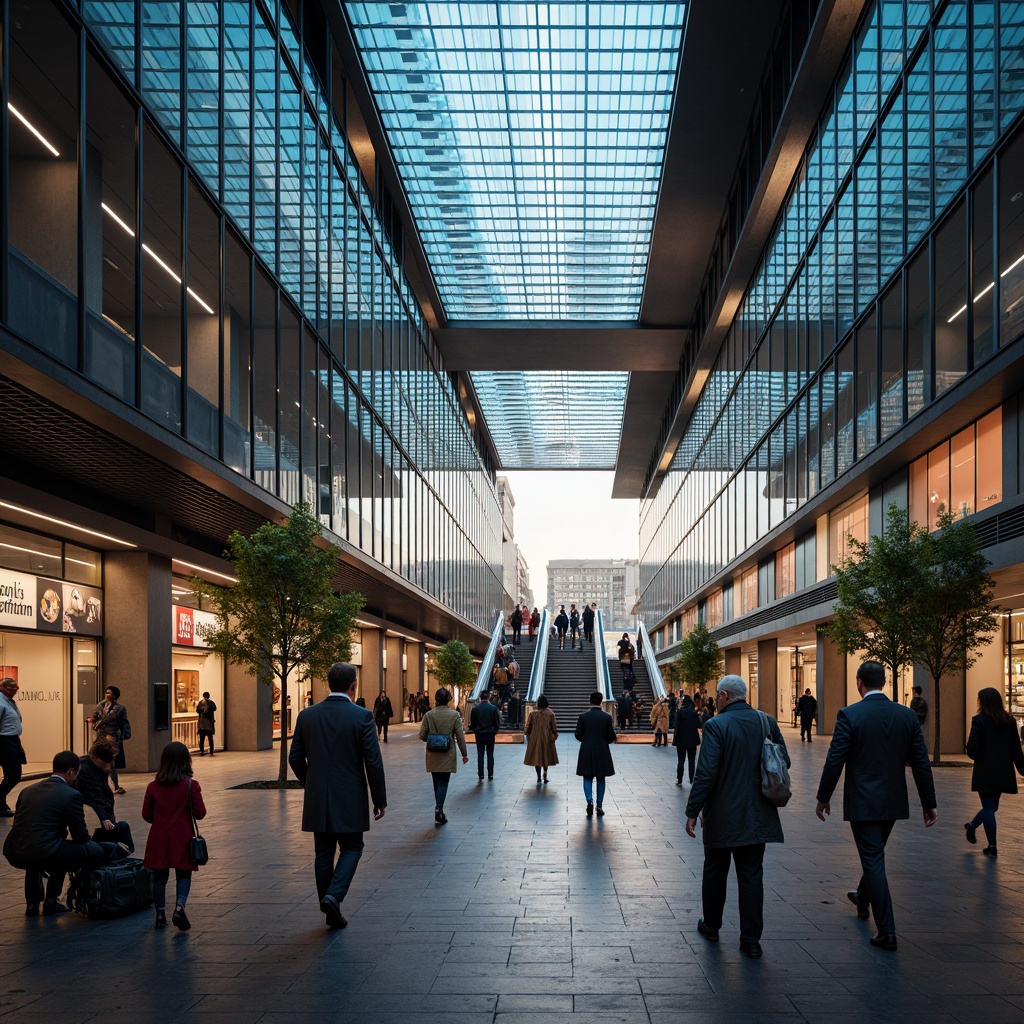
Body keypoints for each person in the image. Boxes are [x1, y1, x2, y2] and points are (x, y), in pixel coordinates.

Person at [815, 660, 937, 952]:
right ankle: (861, 896)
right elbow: (920, 761)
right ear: (884, 682)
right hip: (893, 800)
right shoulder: (906, 716)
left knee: (873, 859)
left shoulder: (850, 715)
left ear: (860, 682)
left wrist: (823, 797)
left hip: (862, 801)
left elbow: (835, 759)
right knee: (875, 852)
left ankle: (887, 931)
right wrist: (929, 803)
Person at [685, 675, 789, 959]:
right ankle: (751, 939)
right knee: (752, 875)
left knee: (715, 871)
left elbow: (706, 774)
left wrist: (692, 811)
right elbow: (784, 761)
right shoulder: (766, 721)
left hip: (722, 815)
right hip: (759, 814)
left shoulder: (716, 726)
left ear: (723, 697)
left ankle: (712, 926)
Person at [289, 663, 387, 929]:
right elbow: (373, 762)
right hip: (350, 796)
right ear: (353, 685)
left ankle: (330, 908)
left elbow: (295, 757)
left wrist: (312, 783)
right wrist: (379, 799)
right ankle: (334, 897)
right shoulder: (362, 716)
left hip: (318, 797)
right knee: (353, 847)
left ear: (327, 684)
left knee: (323, 852)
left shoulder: (307, 716)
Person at [4, 750, 128, 916]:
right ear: (71, 772)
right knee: (92, 851)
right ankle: (62, 897)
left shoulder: (27, 790)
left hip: (15, 850)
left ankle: (32, 904)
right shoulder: (71, 795)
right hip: (44, 848)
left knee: (41, 853)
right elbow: (80, 837)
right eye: (76, 774)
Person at [142, 741, 206, 930]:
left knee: (159, 877)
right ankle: (179, 907)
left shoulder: (153, 786)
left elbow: (146, 815)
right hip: (182, 837)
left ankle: (160, 914)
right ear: (186, 761)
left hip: (158, 837)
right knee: (183, 875)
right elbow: (200, 813)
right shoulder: (191, 785)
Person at [964, 687, 1024, 856]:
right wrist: (1022, 768)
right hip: (1003, 770)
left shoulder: (979, 720)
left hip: (985, 770)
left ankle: (986, 839)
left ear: (983, 702)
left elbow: (972, 750)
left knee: (989, 807)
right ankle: (981, 834)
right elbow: (1016, 749)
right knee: (991, 807)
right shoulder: (1009, 721)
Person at [75, 735, 135, 851]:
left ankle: (109, 838)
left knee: (109, 816)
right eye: (106, 762)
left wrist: (108, 818)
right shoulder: (84, 769)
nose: (109, 766)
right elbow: (94, 796)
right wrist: (104, 818)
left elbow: (103, 792)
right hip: (81, 793)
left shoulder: (100, 765)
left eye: (111, 762)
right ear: (95, 758)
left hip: (95, 793)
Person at [418, 687, 468, 825]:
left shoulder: (429, 715)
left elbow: (422, 735)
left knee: (436, 781)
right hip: (447, 753)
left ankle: (439, 809)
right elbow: (460, 737)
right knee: (444, 781)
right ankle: (439, 808)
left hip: (432, 753)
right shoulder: (454, 715)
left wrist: (433, 739)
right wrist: (464, 754)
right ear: (448, 700)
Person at [575, 691, 616, 816]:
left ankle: (589, 801)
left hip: (586, 749)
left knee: (587, 776)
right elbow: (611, 736)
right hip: (602, 749)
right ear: (601, 701)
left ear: (590, 701)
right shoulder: (607, 717)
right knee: (601, 777)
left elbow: (578, 734)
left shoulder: (583, 716)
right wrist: (604, 741)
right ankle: (599, 806)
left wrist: (586, 740)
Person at [89, 686, 129, 794]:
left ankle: (115, 786)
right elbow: (95, 717)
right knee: (97, 759)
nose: (107, 695)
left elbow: (123, 722)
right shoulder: (101, 705)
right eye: (106, 692)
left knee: (110, 762)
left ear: (114, 695)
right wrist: (92, 722)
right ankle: (101, 785)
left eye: (109, 693)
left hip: (112, 736)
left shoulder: (120, 708)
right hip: (100, 735)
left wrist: (124, 735)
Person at [0, 676, 25, 817]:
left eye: (15, 688)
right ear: (2, 687)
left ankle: (1, 803)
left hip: (12, 740)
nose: (13, 690)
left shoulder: (9, 701)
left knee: (13, 774)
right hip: (4, 741)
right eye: (10, 687)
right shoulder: (1, 703)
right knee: (13, 775)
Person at [524, 695, 559, 784]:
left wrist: (527, 735)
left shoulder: (533, 714)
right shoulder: (550, 713)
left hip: (535, 737)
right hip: (546, 737)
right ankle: (545, 773)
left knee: (537, 757)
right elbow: (554, 727)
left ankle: (538, 777)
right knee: (546, 756)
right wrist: (555, 735)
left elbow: (528, 727)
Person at [469, 695, 501, 781]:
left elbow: (473, 723)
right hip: (490, 733)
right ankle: (490, 774)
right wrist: (495, 730)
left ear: (480, 698)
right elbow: (497, 721)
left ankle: (481, 774)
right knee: (490, 754)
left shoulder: (475, 709)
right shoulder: (493, 708)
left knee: (480, 754)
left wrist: (474, 729)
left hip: (479, 734)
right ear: (488, 698)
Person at [673, 694, 702, 786]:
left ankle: (679, 779)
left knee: (681, 760)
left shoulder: (680, 711)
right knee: (692, 760)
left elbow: (675, 724)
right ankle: (691, 778)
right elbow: (698, 724)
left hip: (681, 739)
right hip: (692, 740)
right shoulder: (693, 712)